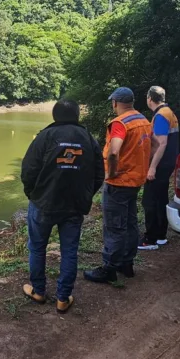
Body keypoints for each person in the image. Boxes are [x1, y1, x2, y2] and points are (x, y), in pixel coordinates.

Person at [20, 99, 104, 314]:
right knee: (69, 251)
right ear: (77, 115)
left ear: (55, 115)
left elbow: (28, 170)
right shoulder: (88, 139)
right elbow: (98, 175)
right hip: (74, 206)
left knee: (37, 248)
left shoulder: (45, 137)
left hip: (43, 204)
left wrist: (33, 194)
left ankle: (38, 291)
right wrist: (85, 196)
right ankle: (63, 299)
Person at [84, 87, 152, 284]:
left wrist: (111, 173)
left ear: (115, 102)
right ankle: (127, 264)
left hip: (119, 182)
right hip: (136, 181)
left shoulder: (120, 124)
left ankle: (109, 268)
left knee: (114, 226)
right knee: (130, 223)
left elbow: (114, 152)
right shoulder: (143, 120)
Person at [140, 86, 180, 251]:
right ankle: (161, 236)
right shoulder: (169, 112)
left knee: (149, 200)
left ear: (150, 98)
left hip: (161, 164)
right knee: (161, 198)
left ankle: (150, 239)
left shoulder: (161, 116)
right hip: (169, 162)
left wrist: (152, 168)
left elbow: (161, 143)